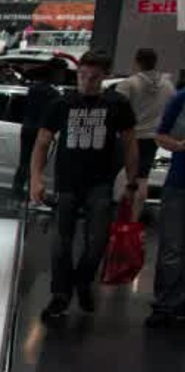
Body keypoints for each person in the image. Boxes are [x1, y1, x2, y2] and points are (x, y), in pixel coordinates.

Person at [29, 49, 139, 320]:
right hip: (66, 183)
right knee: (60, 243)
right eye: (83, 75)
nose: (87, 81)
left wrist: (131, 181)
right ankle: (60, 294)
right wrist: (36, 178)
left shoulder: (116, 104)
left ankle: (82, 280)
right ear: (78, 74)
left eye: (94, 77)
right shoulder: (62, 104)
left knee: (97, 241)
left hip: (100, 183)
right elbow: (42, 143)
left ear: (104, 76)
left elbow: (130, 144)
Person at [118, 47, 174, 201]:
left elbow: (116, 110)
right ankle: (136, 214)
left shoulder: (128, 84)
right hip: (152, 138)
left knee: (125, 177)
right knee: (142, 178)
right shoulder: (168, 86)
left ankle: (122, 212)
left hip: (129, 137)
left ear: (137, 62)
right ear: (155, 62)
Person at [151, 86, 185, 326]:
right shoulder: (181, 99)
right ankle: (165, 304)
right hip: (179, 183)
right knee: (172, 246)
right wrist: (181, 146)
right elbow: (161, 136)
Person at [14, 62, 60, 196]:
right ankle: (32, 191)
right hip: (39, 130)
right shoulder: (52, 93)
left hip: (27, 128)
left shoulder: (32, 89)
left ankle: (17, 189)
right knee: (36, 162)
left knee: (24, 161)